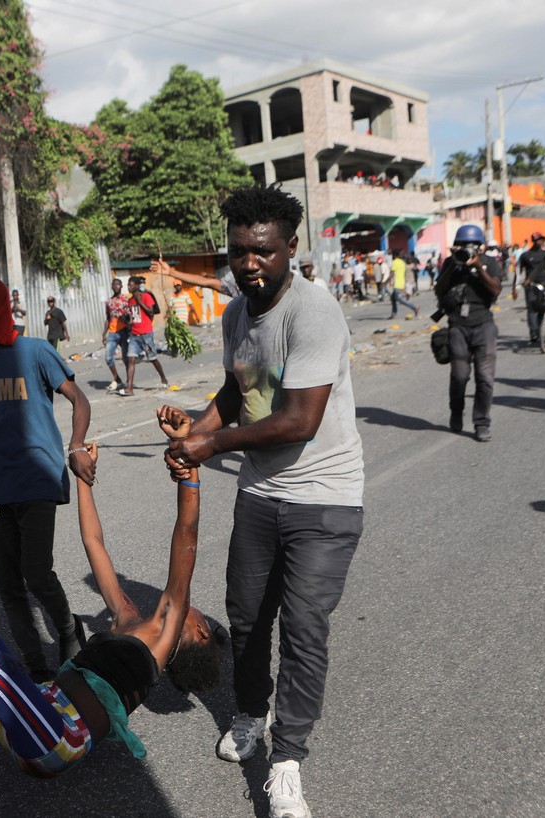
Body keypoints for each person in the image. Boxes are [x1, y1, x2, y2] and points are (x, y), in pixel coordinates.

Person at [164, 186, 364, 818]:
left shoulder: (316, 313)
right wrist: (195, 432)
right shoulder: (235, 316)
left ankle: (287, 763)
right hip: (259, 495)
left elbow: (299, 419)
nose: (249, 265)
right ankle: (251, 713)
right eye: (240, 252)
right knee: (248, 619)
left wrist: (212, 444)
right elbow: (239, 386)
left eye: (264, 252)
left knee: (304, 628)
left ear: (290, 249)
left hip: (325, 496)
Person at [0, 411, 226, 777]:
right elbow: (94, 543)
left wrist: (189, 469)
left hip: (57, 739)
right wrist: (84, 479)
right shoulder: (128, 619)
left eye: (201, 615)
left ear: (200, 631)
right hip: (36, 713)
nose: (193, 607)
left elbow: (186, 532)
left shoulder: (163, 635)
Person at [0, 268, 93, 682]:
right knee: (9, 586)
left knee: (37, 573)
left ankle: (66, 629)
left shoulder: (36, 351)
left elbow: (79, 399)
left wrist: (76, 446)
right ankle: (37, 668)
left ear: (2, 311)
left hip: (39, 478)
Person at [434, 224, 504, 441]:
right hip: (457, 326)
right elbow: (439, 290)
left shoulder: (490, 263)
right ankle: (456, 411)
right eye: (462, 245)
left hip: (483, 325)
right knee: (459, 376)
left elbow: (496, 290)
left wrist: (478, 268)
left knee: (485, 379)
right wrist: (453, 266)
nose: (466, 248)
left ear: (480, 247)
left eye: (470, 245)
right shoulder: (450, 264)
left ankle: (481, 423)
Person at [121, 276, 170, 396]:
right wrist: (127, 320)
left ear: (137, 285)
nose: (129, 287)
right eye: (128, 285)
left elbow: (150, 312)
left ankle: (163, 378)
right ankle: (129, 388)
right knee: (131, 359)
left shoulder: (146, 297)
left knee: (152, 358)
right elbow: (133, 317)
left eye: (131, 285)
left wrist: (140, 302)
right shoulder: (130, 301)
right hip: (134, 334)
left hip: (146, 334)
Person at [519, 232, 545, 344]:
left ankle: (539, 329)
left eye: (541, 239)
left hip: (544, 284)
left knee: (542, 307)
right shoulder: (525, 255)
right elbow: (519, 271)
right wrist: (515, 287)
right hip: (530, 285)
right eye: (537, 240)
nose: (540, 242)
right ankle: (533, 332)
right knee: (531, 308)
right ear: (533, 241)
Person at [101, 278, 131, 392]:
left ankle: (129, 381)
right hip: (112, 333)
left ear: (121, 286)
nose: (116, 287)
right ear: (112, 287)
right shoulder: (109, 302)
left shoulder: (126, 300)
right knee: (108, 358)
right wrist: (104, 333)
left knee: (126, 358)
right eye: (114, 285)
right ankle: (117, 378)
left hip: (123, 331)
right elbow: (108, 318)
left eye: (118, 285)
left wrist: (128, 323)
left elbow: (130, 315)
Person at [388, 252, 419, 318]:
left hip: (397, 284)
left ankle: (414, 308)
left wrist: (385, 282)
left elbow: (392, 273)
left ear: (395, 256)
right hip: (402, 283)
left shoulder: (395, 262)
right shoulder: (402, 262)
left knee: (400, 299)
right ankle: (393, 314)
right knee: (393, 298)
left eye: (393, 255)